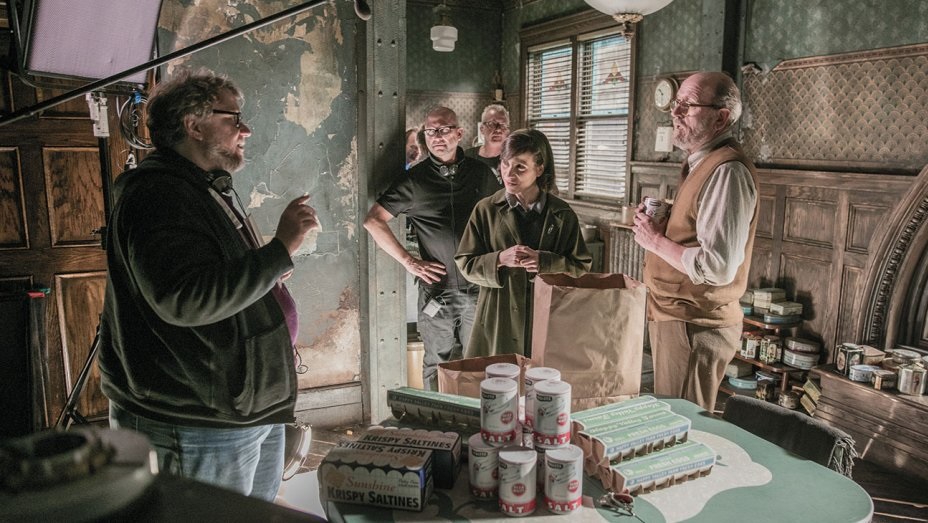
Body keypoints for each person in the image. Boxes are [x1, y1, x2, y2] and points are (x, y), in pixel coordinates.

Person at [98, 69, 320, 501]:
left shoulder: (198, 187)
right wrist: (280, 248)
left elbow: (207, 270)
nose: (245, 129)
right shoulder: (158, 195)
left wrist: (268, 268)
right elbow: (185, 298)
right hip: (195, 417)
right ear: (193, 125)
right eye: (232, 118)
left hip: (239, 408)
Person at [633, 71, 758, 412]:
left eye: (687, 106)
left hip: (695, 325)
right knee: (671, 416)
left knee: (682, 420)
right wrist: (666, 224)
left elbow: (716, 266)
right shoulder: (701, 162)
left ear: (721, 118)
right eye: (676, 104)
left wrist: (654, 241)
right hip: (678, 318)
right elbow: (697, 232)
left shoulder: (727, 171)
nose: (675, 113)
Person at [364, 106, 499, 390]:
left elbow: (502, 217)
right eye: (430, 131)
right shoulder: (415, 180)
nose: (437, 136)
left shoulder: (481, 174)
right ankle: (439, 417)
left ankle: (475, 414)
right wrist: (410, 262)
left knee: (479, 363)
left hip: (479, 288)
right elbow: (373, 221)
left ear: (459, 133)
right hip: (438, 290)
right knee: (437, 363)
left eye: (443, 129)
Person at [455, 129, 591, 357]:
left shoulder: (562, 214)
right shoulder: (486, 210)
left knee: (543, 374)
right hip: (499, 316)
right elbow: (465, 263)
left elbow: (581, 267)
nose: (509, 174)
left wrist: (545, 262)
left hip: (549, 314)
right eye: (505, 164)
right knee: (501, 374)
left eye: (520, 167)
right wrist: (499, 259)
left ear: (539, 169)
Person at [465, 103, 510, 183]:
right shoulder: (467, 156)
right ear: (482, 129)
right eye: (492, 124)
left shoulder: (513, 158)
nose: (498, 129)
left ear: (507, 130)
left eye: (503, 125)